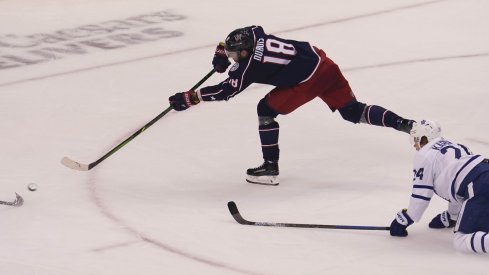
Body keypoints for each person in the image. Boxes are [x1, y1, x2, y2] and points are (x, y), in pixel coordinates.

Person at [169, 25, 415, 185]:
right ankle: (405, 124)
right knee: (353, 111)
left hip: (308, 80)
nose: (233, 58)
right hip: (323, 63)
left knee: (265, 110)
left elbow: (225, 91)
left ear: (244, 54)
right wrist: (223, 54)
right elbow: (230, 41)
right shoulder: (254, 33)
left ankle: (270, 167)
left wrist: (190, 97)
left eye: (235, 55)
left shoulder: (248, 67)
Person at [389, 120, 489, 254]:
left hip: (479, 184)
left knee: (461, 241)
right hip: (482, 175)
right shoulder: (457, 146)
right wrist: (452, 216)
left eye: (415, 139)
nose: (414, 145)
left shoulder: (424, 154)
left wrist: (407, 218)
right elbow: (458, 185)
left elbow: (421, 194)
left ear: (423, 137)